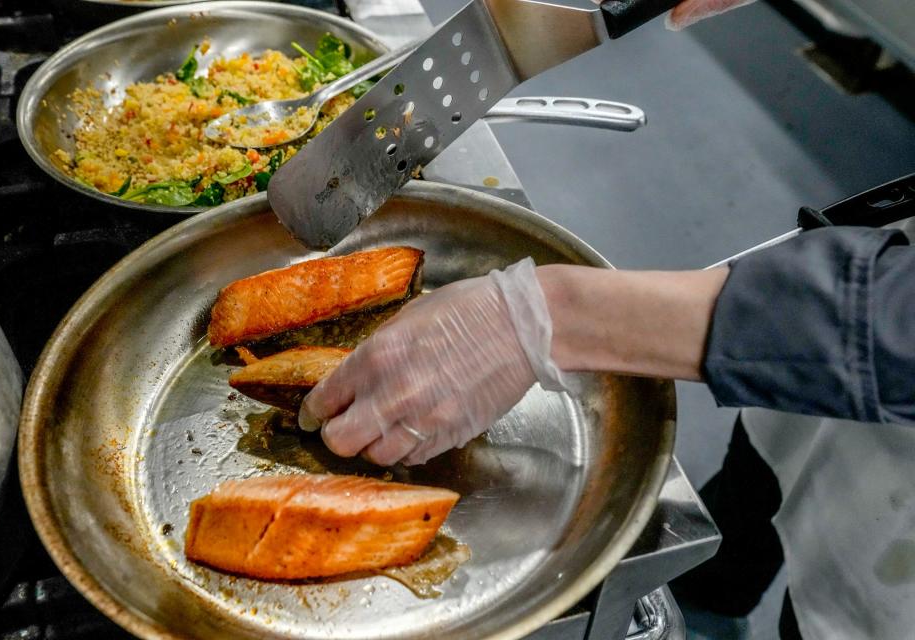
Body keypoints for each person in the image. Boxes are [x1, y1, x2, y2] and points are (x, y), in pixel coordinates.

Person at [297, 4, 915, 640]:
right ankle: (721, 584)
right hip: (836, 311)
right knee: (760, 484)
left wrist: (544, 317)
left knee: (825, 609)